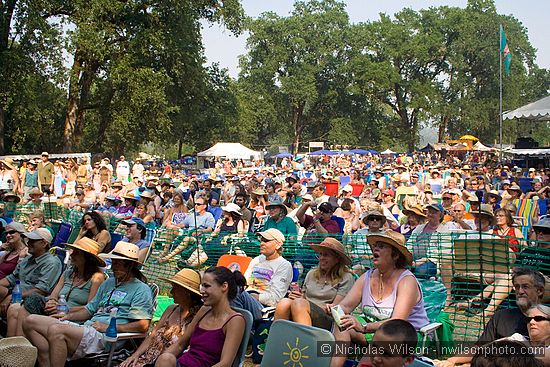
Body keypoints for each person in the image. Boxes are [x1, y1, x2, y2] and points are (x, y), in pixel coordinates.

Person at [23, 241, 153, 367]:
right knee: (30, 321)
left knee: (56, 330)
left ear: (131, 265)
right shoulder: (109, 283)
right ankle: (46, 363)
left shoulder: (141, 289)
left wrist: (109, 328)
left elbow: (143, 326)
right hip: (88, 328)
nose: (114, 267)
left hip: (106, 338)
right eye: (114, 262)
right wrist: (67, 316)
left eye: (120, 264)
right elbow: (89, 310)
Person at [328, 230, 429, 367]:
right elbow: (345, 306)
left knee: (381, 339)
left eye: (382, 246)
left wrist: (364, 327)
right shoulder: (367, 276)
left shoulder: (407, 281)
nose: (375, 248)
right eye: (375, 246)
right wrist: (336, 311)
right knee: (342, 325)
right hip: (374, 331)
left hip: (403, 336)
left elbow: (397, 322)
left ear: (395, 255)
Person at [434, 268, 545, 367]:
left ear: (539, 290)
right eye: (517, 287)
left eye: (525, 287)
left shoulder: (546, 319)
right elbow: (480, 348)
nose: (520, 291)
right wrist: (452, 360)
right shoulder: (502, 316)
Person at [6, 237, 105, 336]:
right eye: (73, 251)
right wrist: (52, 302)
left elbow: (90, 308)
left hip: (71, 316)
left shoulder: (96, 278)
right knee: (14, 309)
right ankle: (12, 346)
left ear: (87, 258)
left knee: (27, 309)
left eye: (77, 253)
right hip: (55, 311)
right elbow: (54, 295)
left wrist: (64, 308)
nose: (72, 254)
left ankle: (19, 345)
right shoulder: (69, 272)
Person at [154, 266, 246, 367]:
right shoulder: (204, 310)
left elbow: (225, 363)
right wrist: (160, 360)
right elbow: (180, 345)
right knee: (166, 358)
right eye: (202, 286)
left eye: (206, 286)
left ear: (224, 286)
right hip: (182, 363)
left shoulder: (235, 320)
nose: (202, 291)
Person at [119, 268, 203, 367]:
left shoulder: (197, 317)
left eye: (175, 288)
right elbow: (152, 335)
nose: (171, 292)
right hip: (146, 359)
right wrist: (135, 355)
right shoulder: (171, 309)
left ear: (187, 293)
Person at [274, 237, 354, 330]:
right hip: (303, 309)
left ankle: (307, 341)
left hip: (329, 319)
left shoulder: (346, 277)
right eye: (320, 254)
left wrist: (304, 302)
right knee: (284, 303)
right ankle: (279, 338)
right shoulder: (312, 273)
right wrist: (297, 296)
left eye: (326, 255)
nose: (321, 258)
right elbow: (303, 296)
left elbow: (336, 309)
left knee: (299, 304)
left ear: (337, 259)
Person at [0, 228, 62, 316]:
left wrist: (13, 296)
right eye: (29, 240)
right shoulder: (28, 258)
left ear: (44, 243)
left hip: (30, 299)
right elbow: (12, 278)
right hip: (16, 291)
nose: (28, 243)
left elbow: (41, 290)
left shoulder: (51, 263)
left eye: (33, 241)